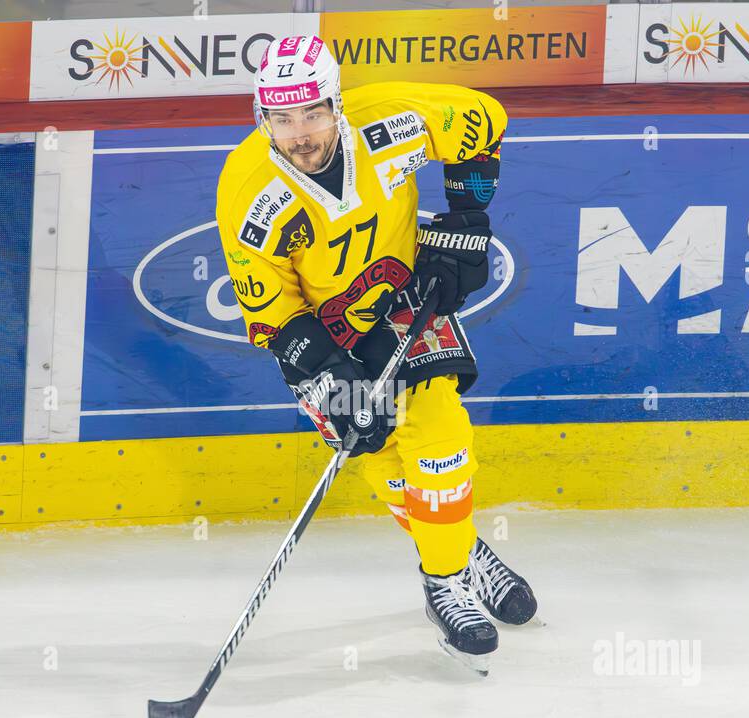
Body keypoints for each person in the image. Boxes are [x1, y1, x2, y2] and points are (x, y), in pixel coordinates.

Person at [215, 35, 536, 669]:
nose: (300, 134)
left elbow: (483, 121)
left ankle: (444, 584)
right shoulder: (248, 193)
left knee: (439, 435)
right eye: (282, 118)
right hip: (324, 333)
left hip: (406, 299)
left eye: (312, 113)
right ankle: (462, 549)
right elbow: (273, 315)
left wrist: (466, 221)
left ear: (336, 104)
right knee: (380, 450)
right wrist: (332, 374)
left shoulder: (389, 119)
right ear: (261, 117)